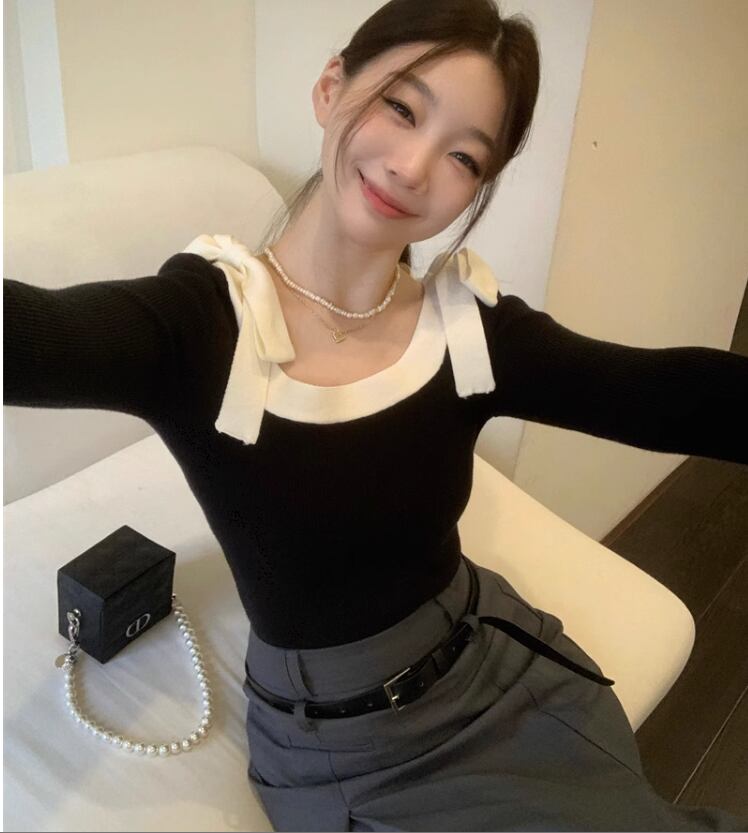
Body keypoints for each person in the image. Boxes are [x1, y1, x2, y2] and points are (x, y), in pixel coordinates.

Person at [4, 0, 747, 830]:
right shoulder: (200, 328)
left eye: (464, 155)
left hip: (496, 666)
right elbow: (30, 337)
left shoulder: (466, 334)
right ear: (332, 87)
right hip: (351, 748)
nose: (413, 167)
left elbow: (659, 393)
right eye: (401, 107)